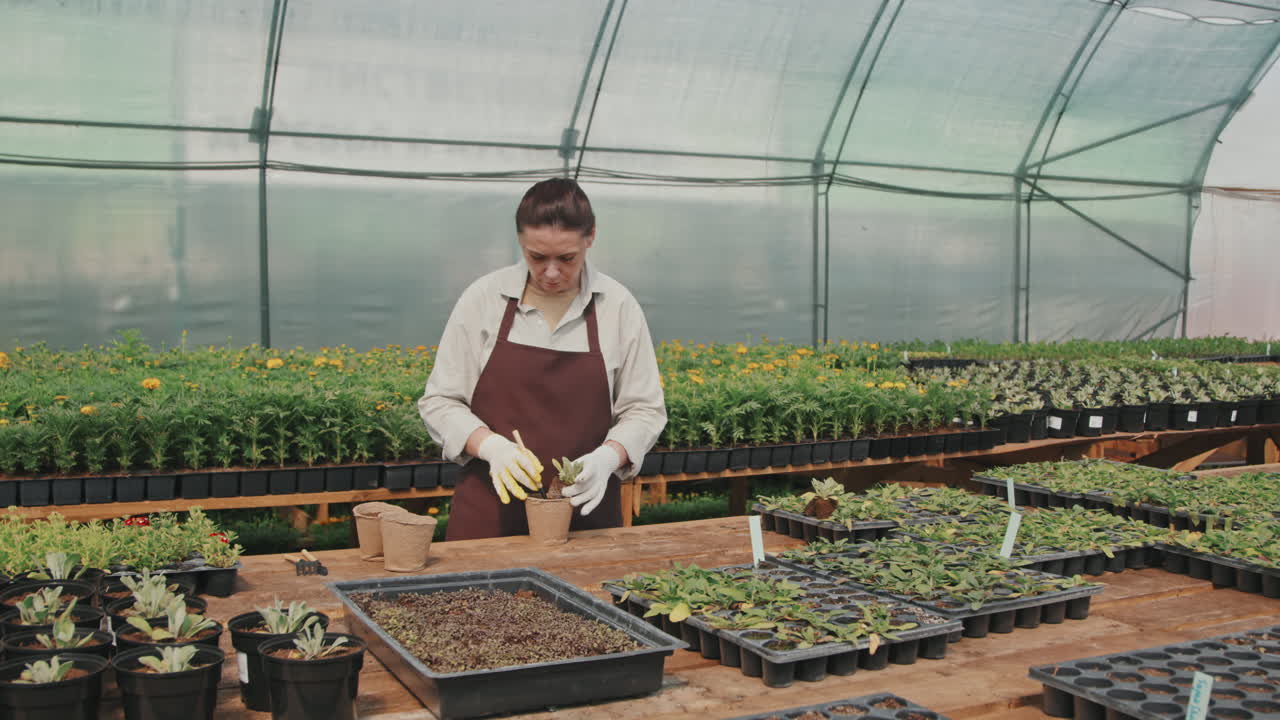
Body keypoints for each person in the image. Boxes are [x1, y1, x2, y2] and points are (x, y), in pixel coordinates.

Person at [418, 178, 667, 540]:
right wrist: (491, 446)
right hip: (489, 516)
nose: (551, 273)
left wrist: (607, 458)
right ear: (520, 240)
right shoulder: (484, 299)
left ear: (591, 237)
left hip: (585, 517)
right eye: (536, 257)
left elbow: (645, 409)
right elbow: (440, 401)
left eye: (567, 258)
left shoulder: (617, 306)